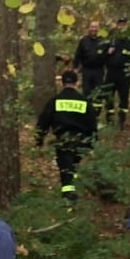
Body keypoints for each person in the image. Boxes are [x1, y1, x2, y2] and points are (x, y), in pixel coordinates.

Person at [35, 69, 98, 202]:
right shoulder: (84, 101)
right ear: (77, 83)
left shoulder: (55, 101)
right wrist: (91, 143)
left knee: (65, 168)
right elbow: (92, 123)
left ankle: (68, 197)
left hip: (63, 139)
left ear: (62, 83)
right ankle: (72, 192)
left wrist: (39, 139)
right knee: (74, 166)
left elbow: (43, 121)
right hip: (81, 140)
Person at [103, 15, 130, 129]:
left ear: (127, 26)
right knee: (109, 96)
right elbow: (102, 55)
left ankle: (122, 120)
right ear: (117, 26)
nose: (122, 27)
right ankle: (109, 118)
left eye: (124, 24)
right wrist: (108, 52)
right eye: (120, 24)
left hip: (124, 73)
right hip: (111, 72)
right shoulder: (111, 39)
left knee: (124, 97)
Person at [72, 19, 109, 98]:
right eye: (92, 27)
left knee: (98, 91)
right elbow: (78, 55)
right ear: (89, 28)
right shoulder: (84, 41)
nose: (94, 29)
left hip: (99, 70)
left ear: (99, 29)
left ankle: (97, 109)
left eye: (95, 27)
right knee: (86, 91)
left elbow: (107, 56)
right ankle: (87, 108)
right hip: (86, 70)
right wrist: (75, 68)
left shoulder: (104, 41)